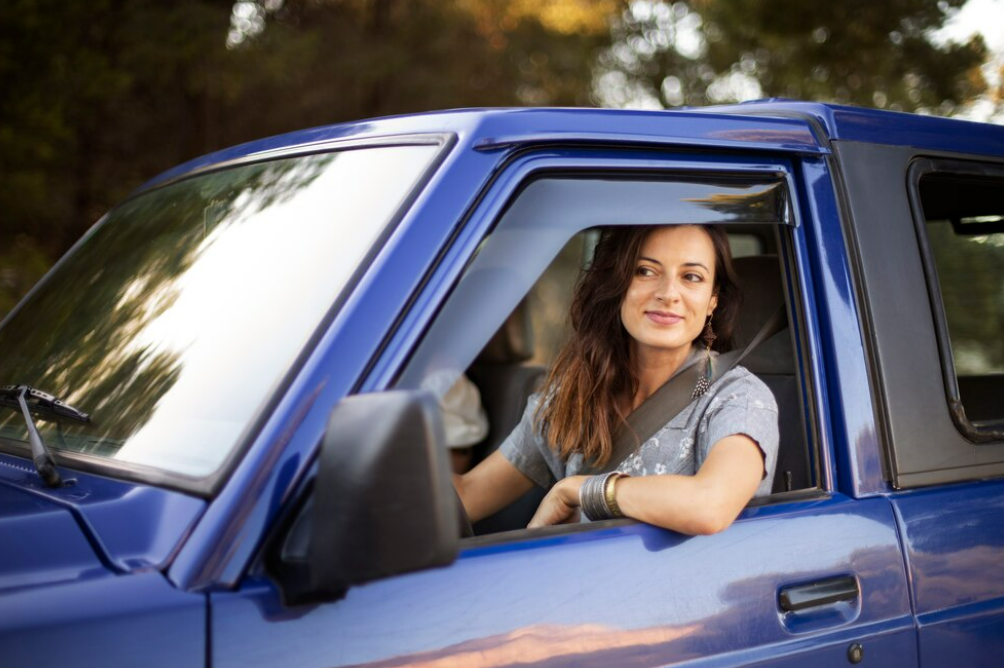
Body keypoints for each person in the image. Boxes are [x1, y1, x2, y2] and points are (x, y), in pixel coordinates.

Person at [453, 224, 778, 535]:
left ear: (713, 301)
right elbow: (468, 494)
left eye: (691, 277)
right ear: (618, 284)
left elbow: (711, 505)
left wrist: (580, 489)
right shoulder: (575, 392)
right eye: (645, 271)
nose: (668, 293)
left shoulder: (737, 397)